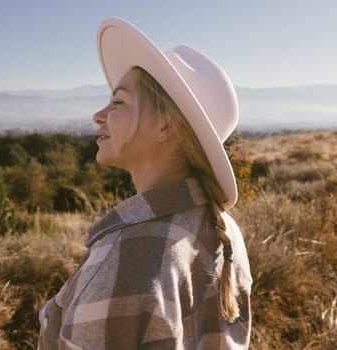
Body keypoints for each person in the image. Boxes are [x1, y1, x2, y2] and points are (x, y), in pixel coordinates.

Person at [38, 17, 252, 349]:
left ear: (166, 126)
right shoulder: (223, 228)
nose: (99, 115)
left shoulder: (128, 253)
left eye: (118, 102)